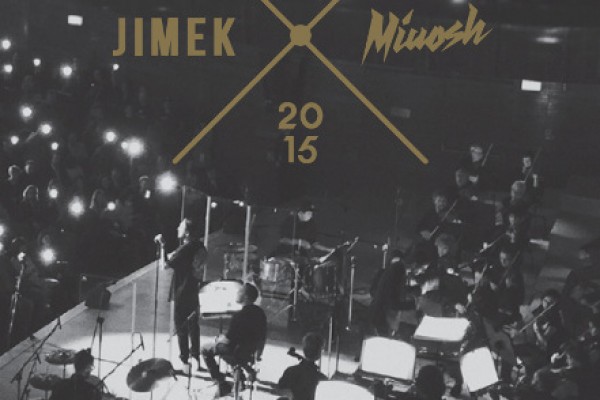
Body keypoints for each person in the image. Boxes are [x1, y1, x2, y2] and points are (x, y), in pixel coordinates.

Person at [201, 283, 267, 396]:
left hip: (235, 351)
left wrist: (218, 339)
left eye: (240, 291)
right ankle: (240, 376)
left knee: (205, 349)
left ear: (246, 297)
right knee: (232, 350)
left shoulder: (239, 316)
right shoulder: (260, 313)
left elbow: (228, 340)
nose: (237, 293)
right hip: (250, 351)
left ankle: (221, 383)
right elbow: (263, 336)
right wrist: (258, 354)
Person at [158, 218, 206, 370]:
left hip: (181, 291)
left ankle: (185, 361)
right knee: (194, 327)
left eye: (181, 227)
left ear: (186, 233)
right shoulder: (199, 246)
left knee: (181, 327)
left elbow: (165, 266)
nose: (177, 228)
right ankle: (196, 357)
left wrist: (162, 246)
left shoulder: (185, 249)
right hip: (194, 290)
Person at [277, 333, 327, 400]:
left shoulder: (291, 371)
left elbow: (281, 387)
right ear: (319, 353)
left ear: (304, 349)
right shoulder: (319, 377)